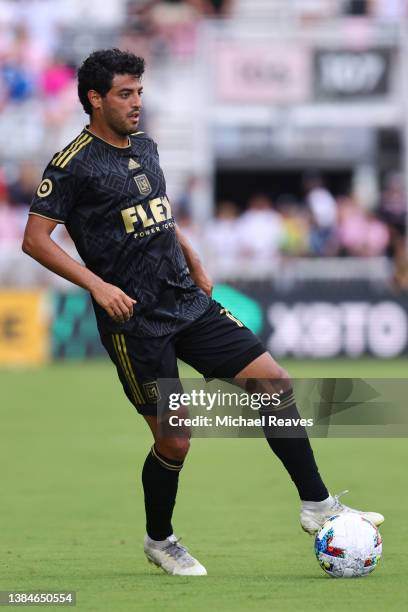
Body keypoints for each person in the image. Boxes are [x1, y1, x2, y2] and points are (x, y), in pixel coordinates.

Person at [22, 48, 384, 577]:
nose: (136, 103)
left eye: (139, 92)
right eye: (125, 93)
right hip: (135, 321)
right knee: (175, 439)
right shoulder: (72, 163)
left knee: (275, 382)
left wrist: (191, 255)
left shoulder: (145, 147)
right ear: (94, 99)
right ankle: (160, 539)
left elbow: (159, 215)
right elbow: (35, 239)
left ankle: (318, 504)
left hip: (187, 302)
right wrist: (97, 285)